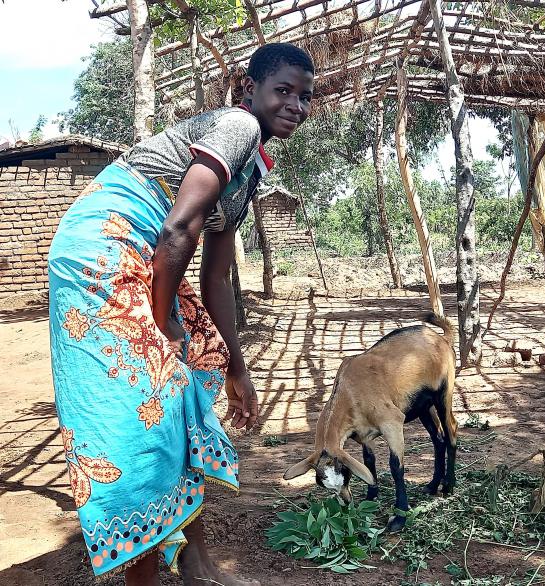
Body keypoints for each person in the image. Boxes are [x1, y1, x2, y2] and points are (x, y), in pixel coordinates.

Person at [48, 42, 314, 585]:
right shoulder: (238, 127)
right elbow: (177, 229)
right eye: (283, 90)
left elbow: (217, 278)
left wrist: (238, 368)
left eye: (305, 97)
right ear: (250, 88)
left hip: (146, 250)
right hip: (103, 246)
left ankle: (196, 564)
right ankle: (141, 572)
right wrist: (162, 317)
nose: (295, 105)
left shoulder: (251, 168)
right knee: (142, 409)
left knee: (195, 375)